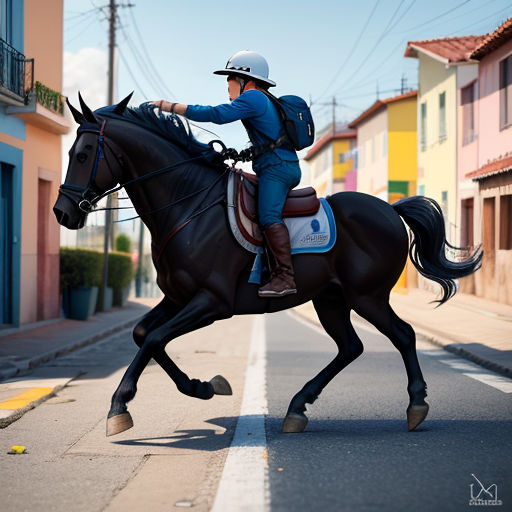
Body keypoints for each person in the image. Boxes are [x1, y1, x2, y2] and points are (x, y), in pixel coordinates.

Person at [153, 50, 301, 298]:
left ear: (245, 80)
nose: (228, 87)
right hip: (274, 164)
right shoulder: (261, 100)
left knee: (268, 216)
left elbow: (217, 115)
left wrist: (169, 106)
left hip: (278, 169)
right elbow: (268, 141)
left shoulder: (254, 97)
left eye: (230, 80)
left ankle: (285, 277)